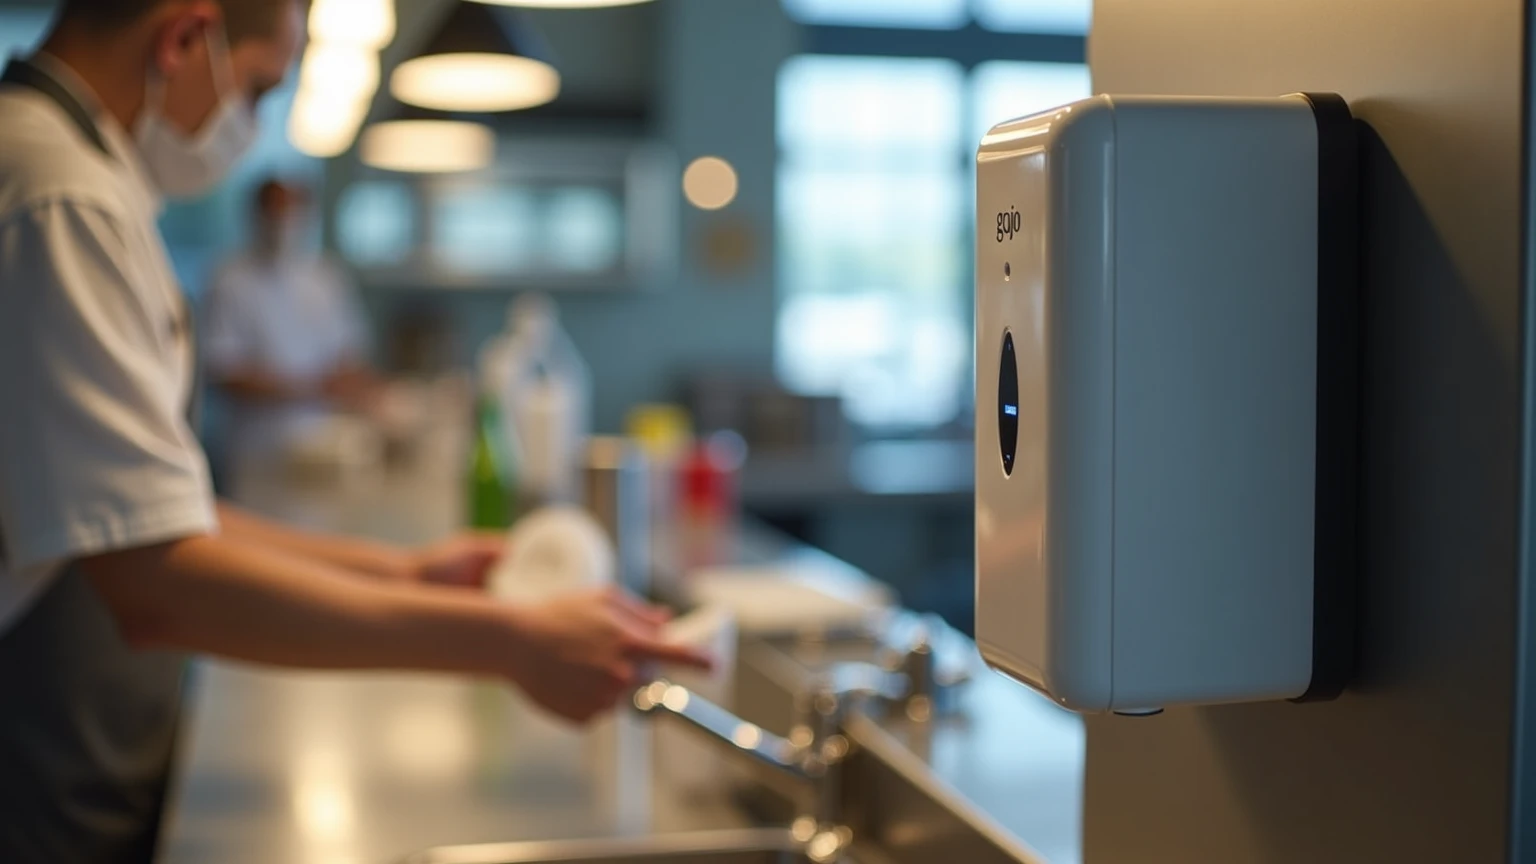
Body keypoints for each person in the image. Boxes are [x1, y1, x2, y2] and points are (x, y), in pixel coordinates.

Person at [0, 2, 708, 862]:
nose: (250, 122)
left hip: (85, 729)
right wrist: (513, 643)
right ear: (184, 38)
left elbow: (149, 513)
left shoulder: (82, 177)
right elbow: (154, 581)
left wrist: (404, 570)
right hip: (35, 744)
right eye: (260, 87)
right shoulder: (59, 195)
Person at [202, 177, 381, 480]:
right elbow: (225, 372)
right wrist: (309, 387)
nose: (282, 221)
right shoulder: (229, 278)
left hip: (322, 447)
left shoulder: (326, 277)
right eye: (274, 211)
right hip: (255, 448)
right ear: (255, 214)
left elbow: (350, 358)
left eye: (290, 210)